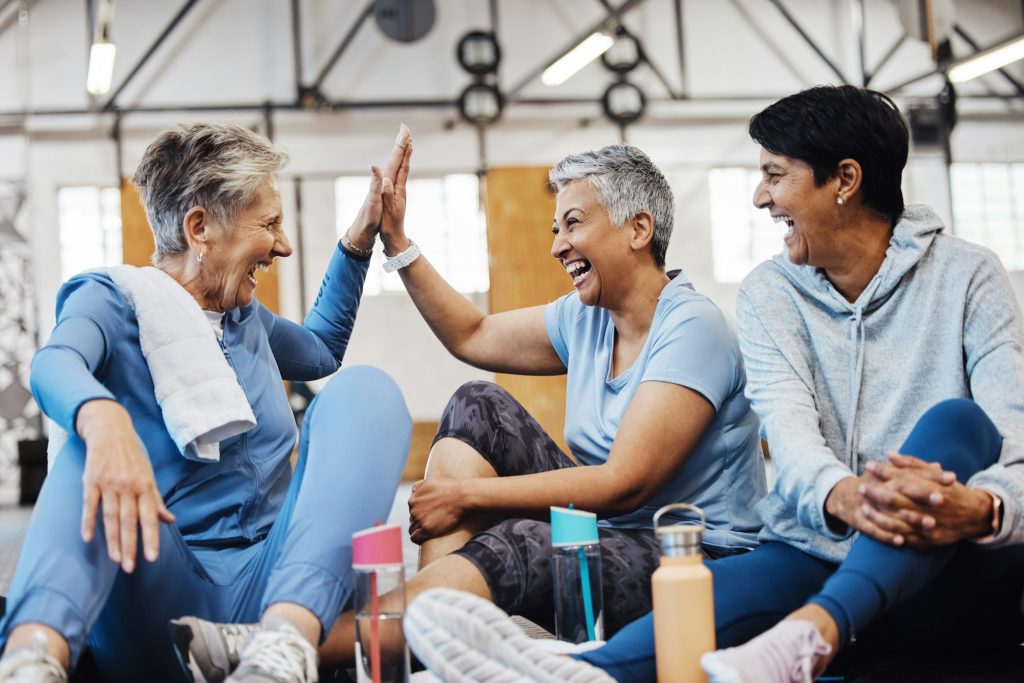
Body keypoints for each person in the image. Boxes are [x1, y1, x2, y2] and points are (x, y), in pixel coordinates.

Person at [400, 85, 1024, 683]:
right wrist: (843, 496)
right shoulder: (770, 293)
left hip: (944, 558)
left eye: (775, 175)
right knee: (694, 602)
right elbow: (793, 439)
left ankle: (815, 630)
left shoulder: (968, 277)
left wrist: (983, 506)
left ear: (846, 180)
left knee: (958, 422)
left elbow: (1015, 443)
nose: (759, 197)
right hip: (817, 545)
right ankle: (575, 672)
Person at [177, 139, 768, 679]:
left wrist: (468, 497)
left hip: (690, 560)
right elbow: (473, 333)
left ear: (639, 229)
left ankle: (284, 645)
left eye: (574, 223)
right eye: (555, 226)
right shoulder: (585, 317)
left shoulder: (693, 328)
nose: (557, 244)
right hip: (607, 536)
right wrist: (397, 244)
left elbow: (624, 484)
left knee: (519, 543)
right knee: (477, 403)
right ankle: (432, 652)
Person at [0, 123, 414, 683]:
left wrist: (361, 237)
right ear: (201, 227)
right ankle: (31, 661)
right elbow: (53, 363)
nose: (284, 245)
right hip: (160, 598)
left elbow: (320, 352)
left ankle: (284, 648)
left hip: (279, 588)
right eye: (268, 224)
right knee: (83, 449)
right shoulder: (115, 300)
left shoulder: (246, 319)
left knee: (368, 390)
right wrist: (104, 418)